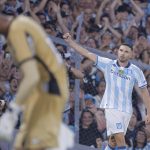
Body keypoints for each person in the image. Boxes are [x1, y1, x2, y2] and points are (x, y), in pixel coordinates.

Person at [63, 33, 150, 150]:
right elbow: (87, 53)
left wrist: (149, 112)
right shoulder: (109, 64)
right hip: (112, 108)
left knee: (113, 141)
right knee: (120, 140)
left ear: (131, 55)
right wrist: (71, 42)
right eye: (121, 50)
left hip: (126, 110)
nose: (122, 53)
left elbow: (144, 92)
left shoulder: (136, 71)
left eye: (126, 52)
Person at [0, 14, 74, 150]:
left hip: (49, 91)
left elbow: (32, 76)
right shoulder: (24, 24)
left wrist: (12, 111)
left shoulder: (16, 31)